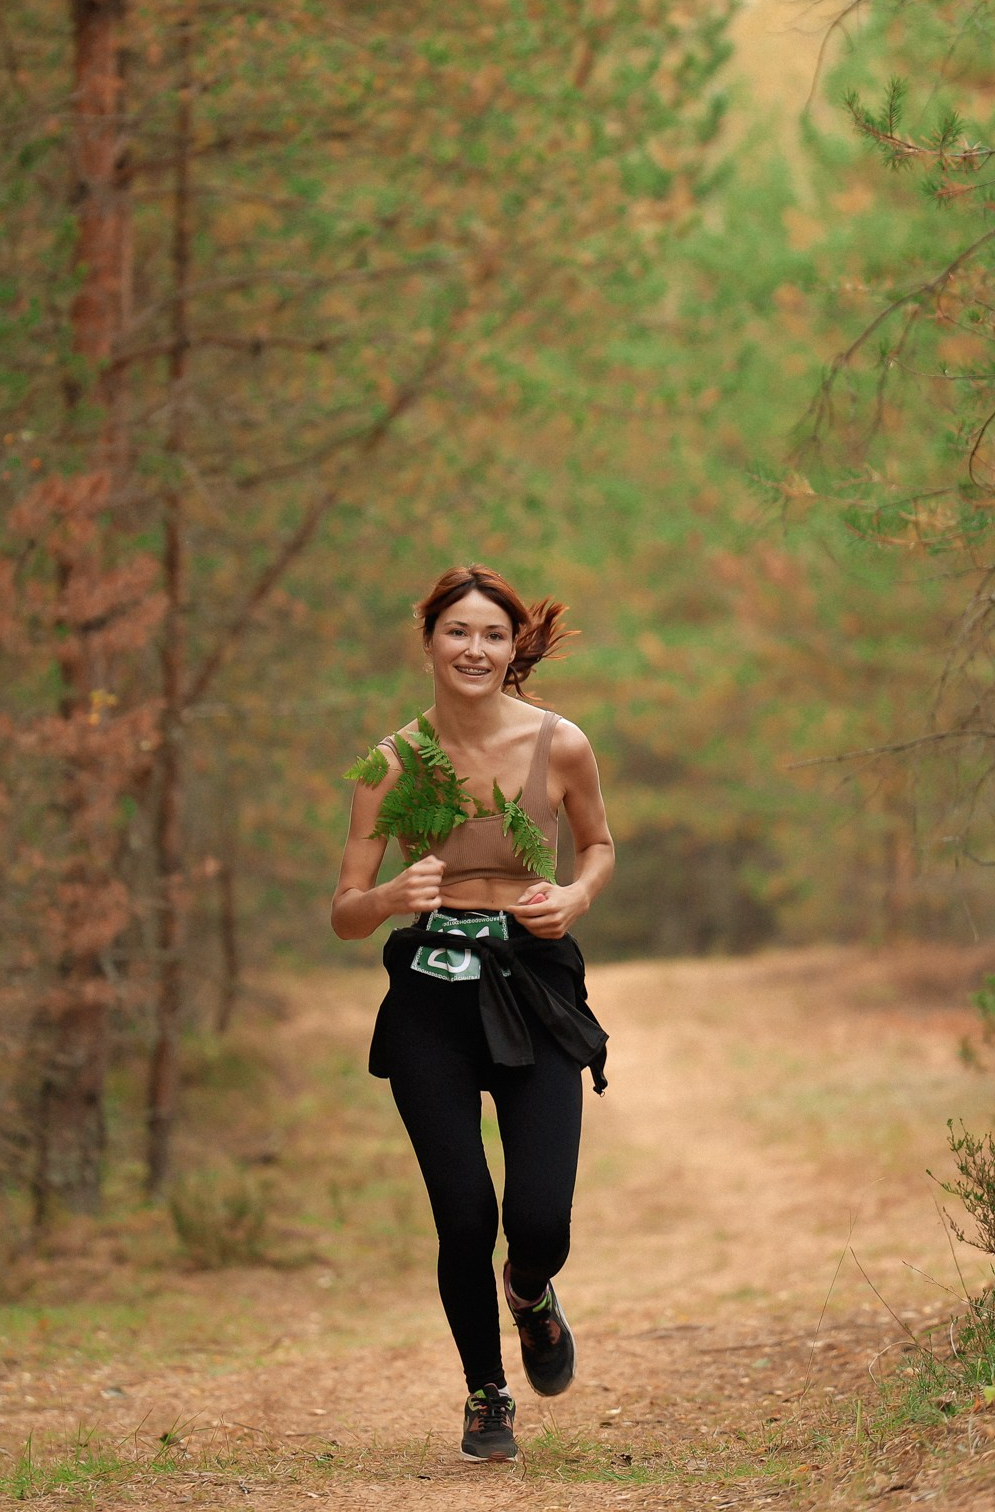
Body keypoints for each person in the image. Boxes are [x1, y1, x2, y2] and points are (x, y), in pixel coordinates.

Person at [330, 565, 616, 1464]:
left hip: (532, 980)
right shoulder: (390, 761)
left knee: (539, 1223)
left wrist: (573, 896)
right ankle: (486, 1393)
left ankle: (529, 1294)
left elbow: (601, 844)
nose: (475, 648)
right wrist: (386, 896)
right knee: (463, 1215)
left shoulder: (561, 744)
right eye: (458, 631)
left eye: (493, 634)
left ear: (512, 648)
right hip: (430, 993)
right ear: (429, 643)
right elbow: (343, 909)